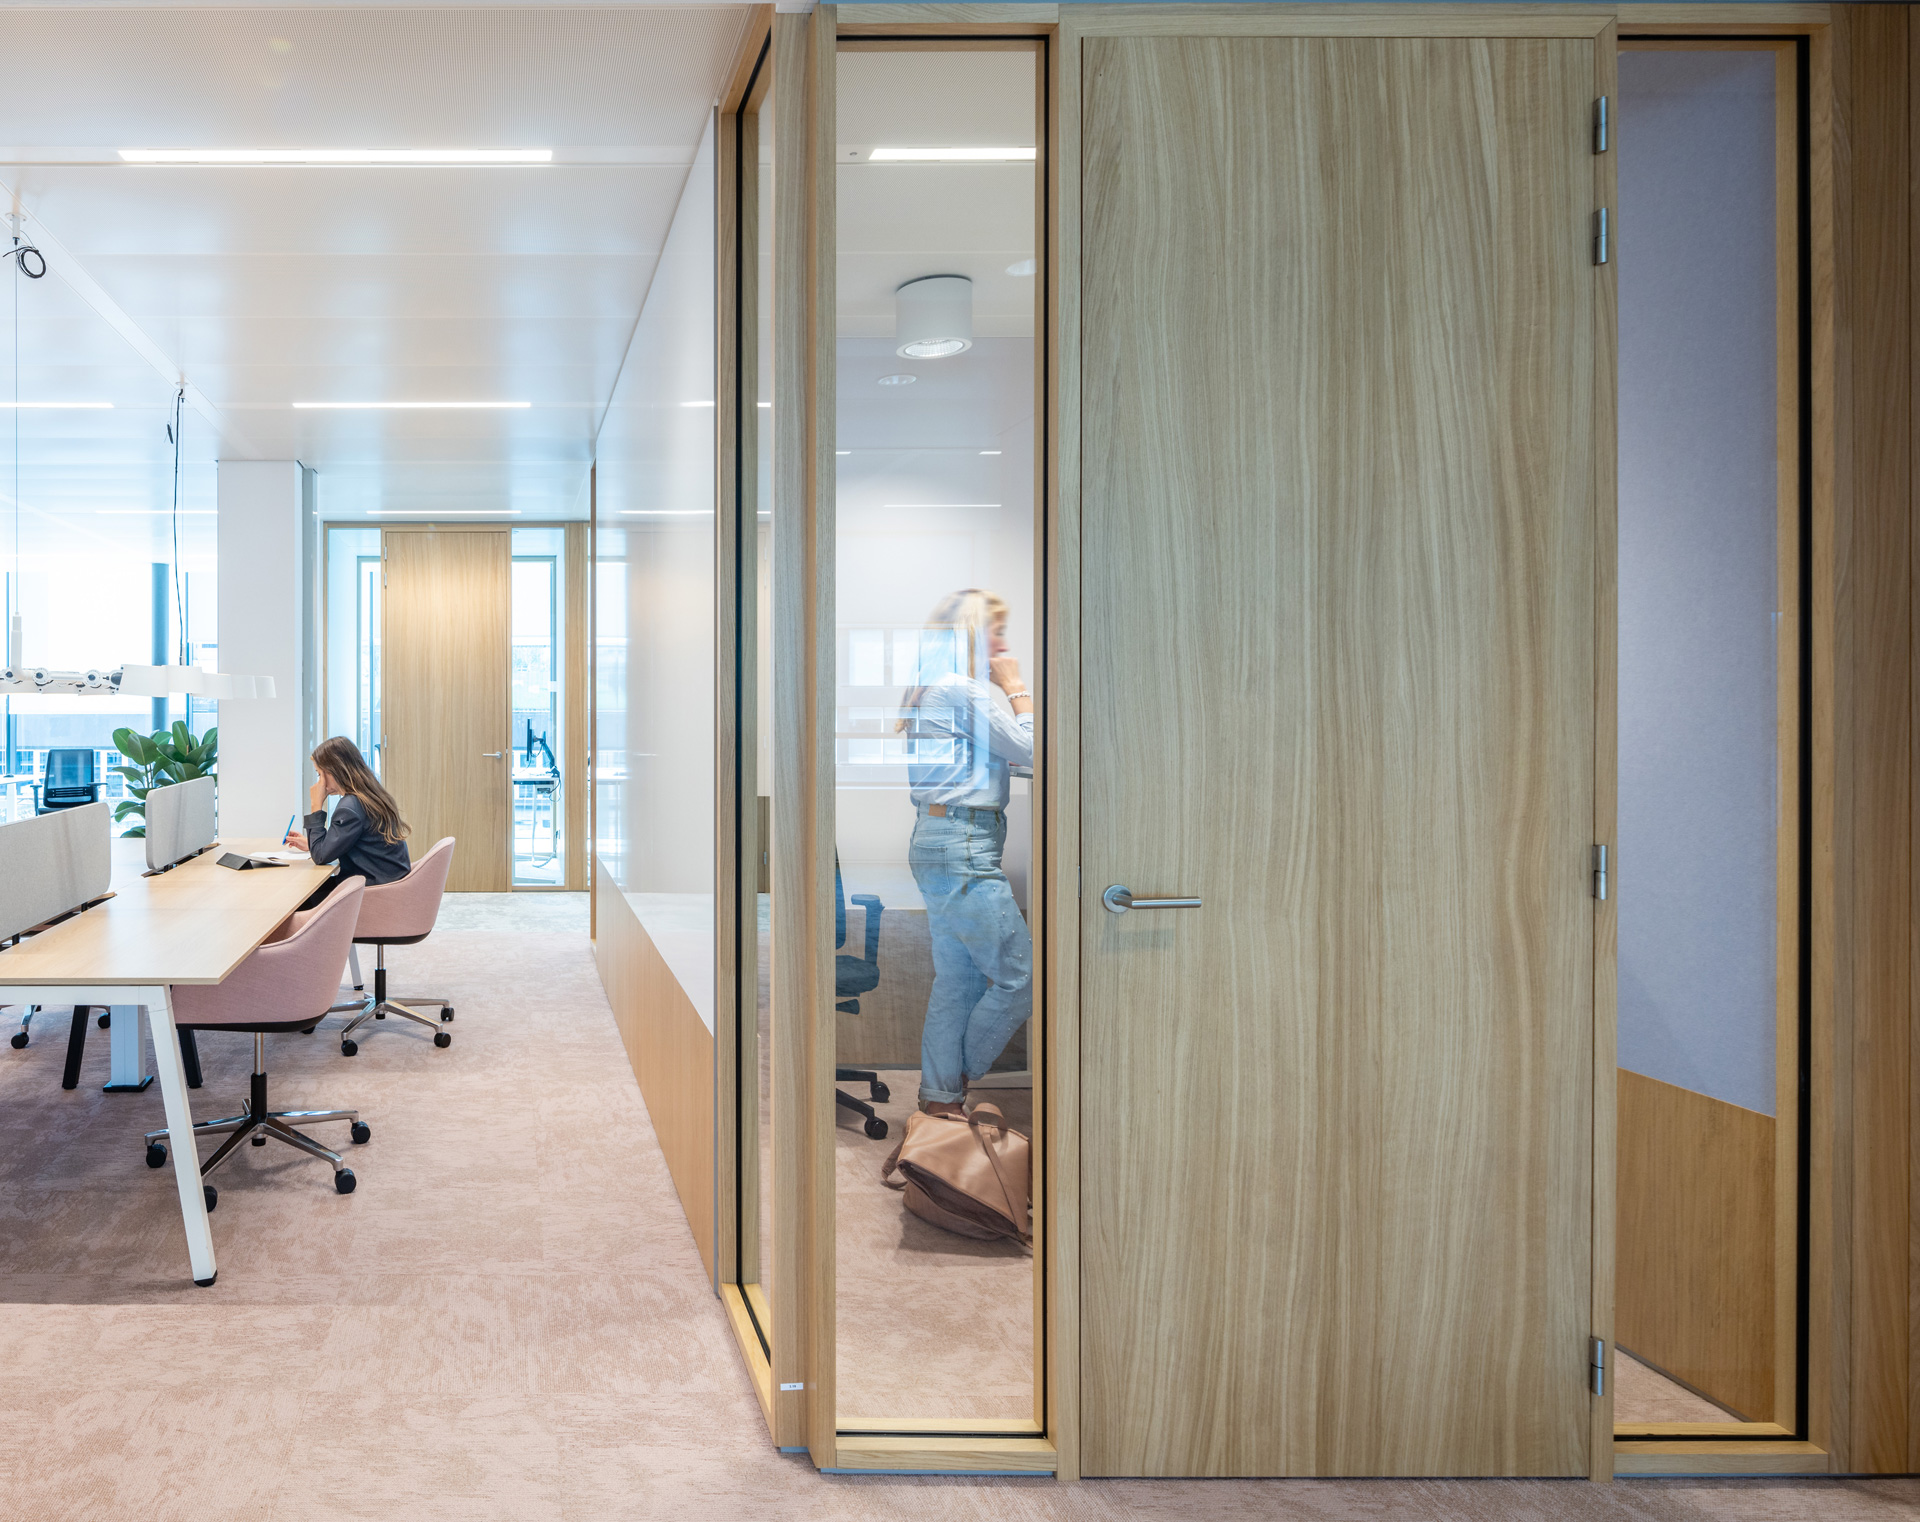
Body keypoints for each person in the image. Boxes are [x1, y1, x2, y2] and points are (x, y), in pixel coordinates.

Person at [898, 588, 1034, 1118]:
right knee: (1021, 979)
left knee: (957, 981)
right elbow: (1033, 751)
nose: (1003, 644)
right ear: (973, 633)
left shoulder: (933, 687)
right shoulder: (961, 690)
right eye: (996, 630)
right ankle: (959, 1077)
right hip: (964, 846)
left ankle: (939, 1104)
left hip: (939, 840)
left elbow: (1001, 760)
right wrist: (1017, 690)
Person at [284, 736, 411, 907]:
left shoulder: (350, 807)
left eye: (320, 774)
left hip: (373, 893)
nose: (319, 782)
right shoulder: (369, 796)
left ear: (334, 770)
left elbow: (321, 856)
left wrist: (316, 805)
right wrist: (312, 844)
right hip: (388, 885)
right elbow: (348, 843)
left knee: (295, 899)